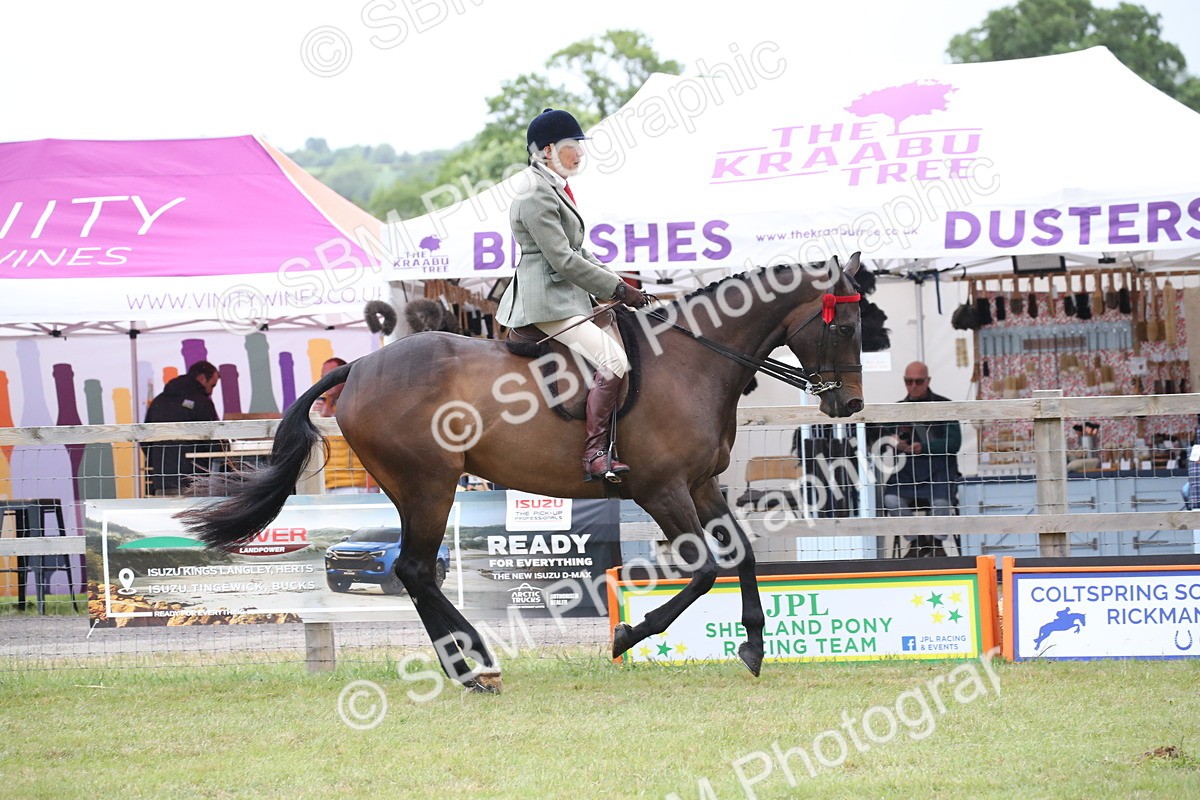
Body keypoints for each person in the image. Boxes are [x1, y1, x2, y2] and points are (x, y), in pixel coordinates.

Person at [496, 107, 650, 483]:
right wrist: (615, 289)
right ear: (547, 150)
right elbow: (563, 259)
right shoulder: (535, 194)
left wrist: (619, 284)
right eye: (572, 146)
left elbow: (581, 251)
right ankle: (596, 453)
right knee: (613, 360)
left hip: (566, 295)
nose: (580, 154)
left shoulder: (556, 187)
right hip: (546, 299)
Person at [881, 361, 962, 555]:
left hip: (939, 470)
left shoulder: (946, 406)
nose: (913, 386)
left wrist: (923, 447)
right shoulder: (896, 410)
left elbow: (954, 443)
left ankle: (937, 543)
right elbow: (879, 439)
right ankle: (916, 541)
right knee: (890, 498)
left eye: (918, 381)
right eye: (909, 381)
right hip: (907, 472)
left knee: (942, 502)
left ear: (928, 381)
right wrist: (892, 442)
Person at [143, 360, 220, 496]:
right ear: (202, 378)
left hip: (162, 480)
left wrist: (159, 462)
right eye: (212, 385)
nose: (211, 391)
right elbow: (215, 441)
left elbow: (144, 439)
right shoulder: (201, 402)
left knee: (164, 517)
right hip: (195, 482)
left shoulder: (159, 401)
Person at [313, 357, 376, 494]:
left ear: (344, 378)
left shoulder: (359, 401)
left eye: (331, 376)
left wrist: (332, 416)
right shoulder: (324, 405)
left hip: (356, 485)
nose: (326, 381)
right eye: (323, 377)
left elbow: (365, 434)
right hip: (328, 484)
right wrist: (315, 419)